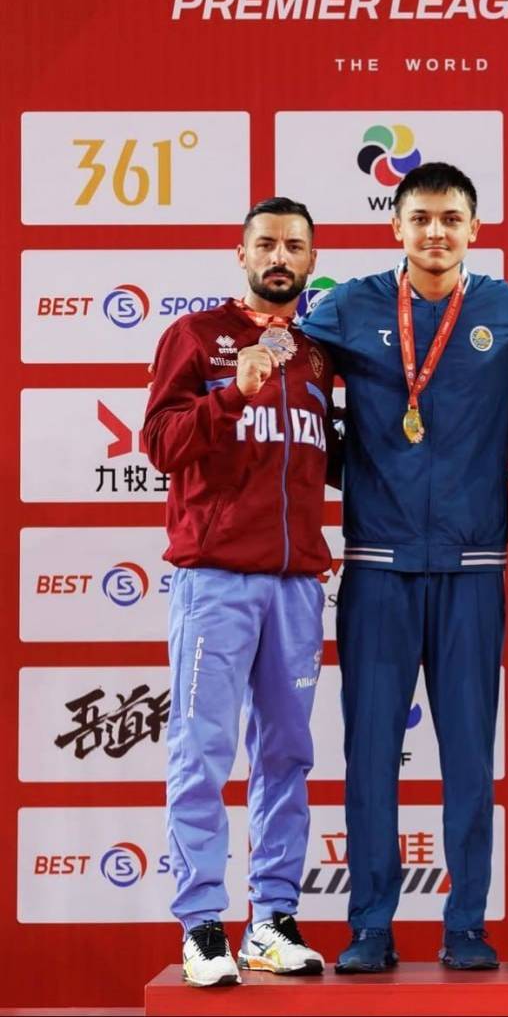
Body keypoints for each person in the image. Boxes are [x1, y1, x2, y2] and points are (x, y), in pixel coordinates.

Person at [301, 162, 508, 973]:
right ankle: (370, 924)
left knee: (469, 755)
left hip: (472, 565)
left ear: (475, 229)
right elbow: (292, 384)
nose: (436, 232)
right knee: (370, 754)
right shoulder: (349, 306)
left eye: (451, 219)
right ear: (395, 226)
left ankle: (465, 922)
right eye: (422, 218)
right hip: (377, 563)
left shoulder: (507, 311)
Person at [143, 197, 337, 987]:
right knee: (202, 752)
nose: (279, 256)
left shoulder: (319, 355)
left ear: (311, 260)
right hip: (216, 578)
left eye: (294, 245)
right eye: (266, 244)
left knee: (286, 755)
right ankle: (200, 926)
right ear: (242, 253)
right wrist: (232, 394)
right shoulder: (196, 336)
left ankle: (271, 920)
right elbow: (160, 443)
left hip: (295, 586)